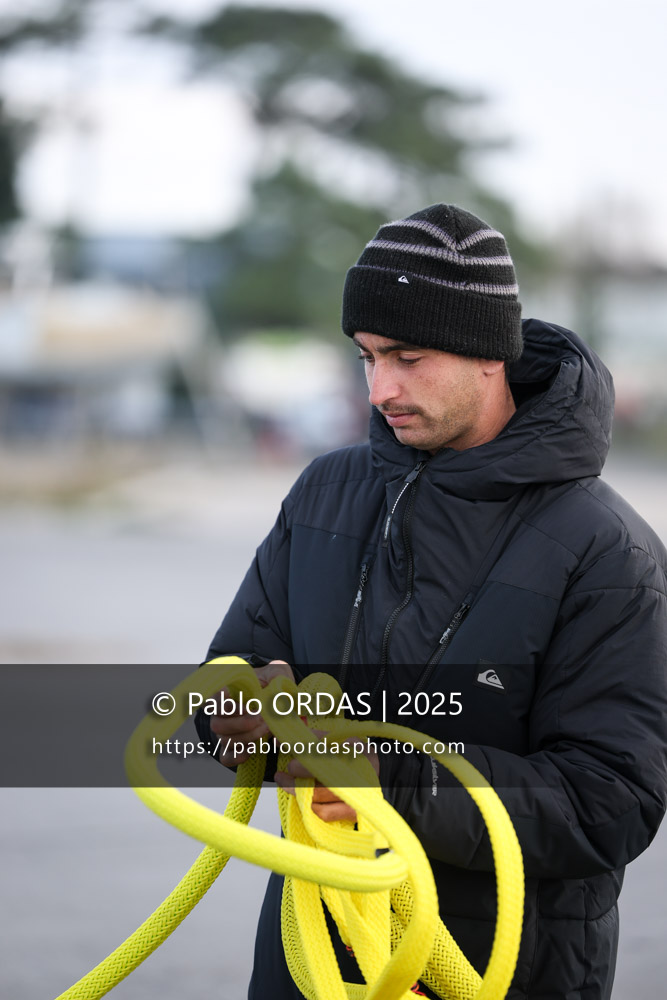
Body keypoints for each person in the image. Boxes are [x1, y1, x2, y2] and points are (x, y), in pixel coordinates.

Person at [196, 204, 667, 1000]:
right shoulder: (324, 493)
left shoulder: (605, 550)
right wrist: (230, 709)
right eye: (367, 356)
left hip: (503, 967)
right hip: (311, 955)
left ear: (489, 353)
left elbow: (608, 803)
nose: (381, 387)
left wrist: (390, 780)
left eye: (408, 357)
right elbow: (228, 668)